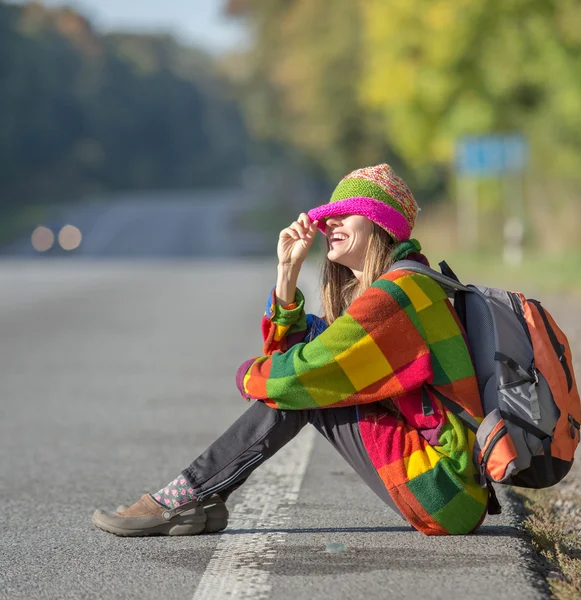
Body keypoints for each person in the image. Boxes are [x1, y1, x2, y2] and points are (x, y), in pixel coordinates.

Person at [92, 164, 489, 537]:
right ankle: (201, 498)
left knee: (305, 388)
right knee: (308, 373)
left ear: (380, 222)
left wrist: (250, 374)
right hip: (450, 488)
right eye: (328, 215)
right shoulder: (402, 284)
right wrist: (287, 272)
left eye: (345, 214)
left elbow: (295, 376)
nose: (328, 222)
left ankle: (182, 498)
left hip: (443, 488)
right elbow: (298, 349)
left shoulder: (397, 294)